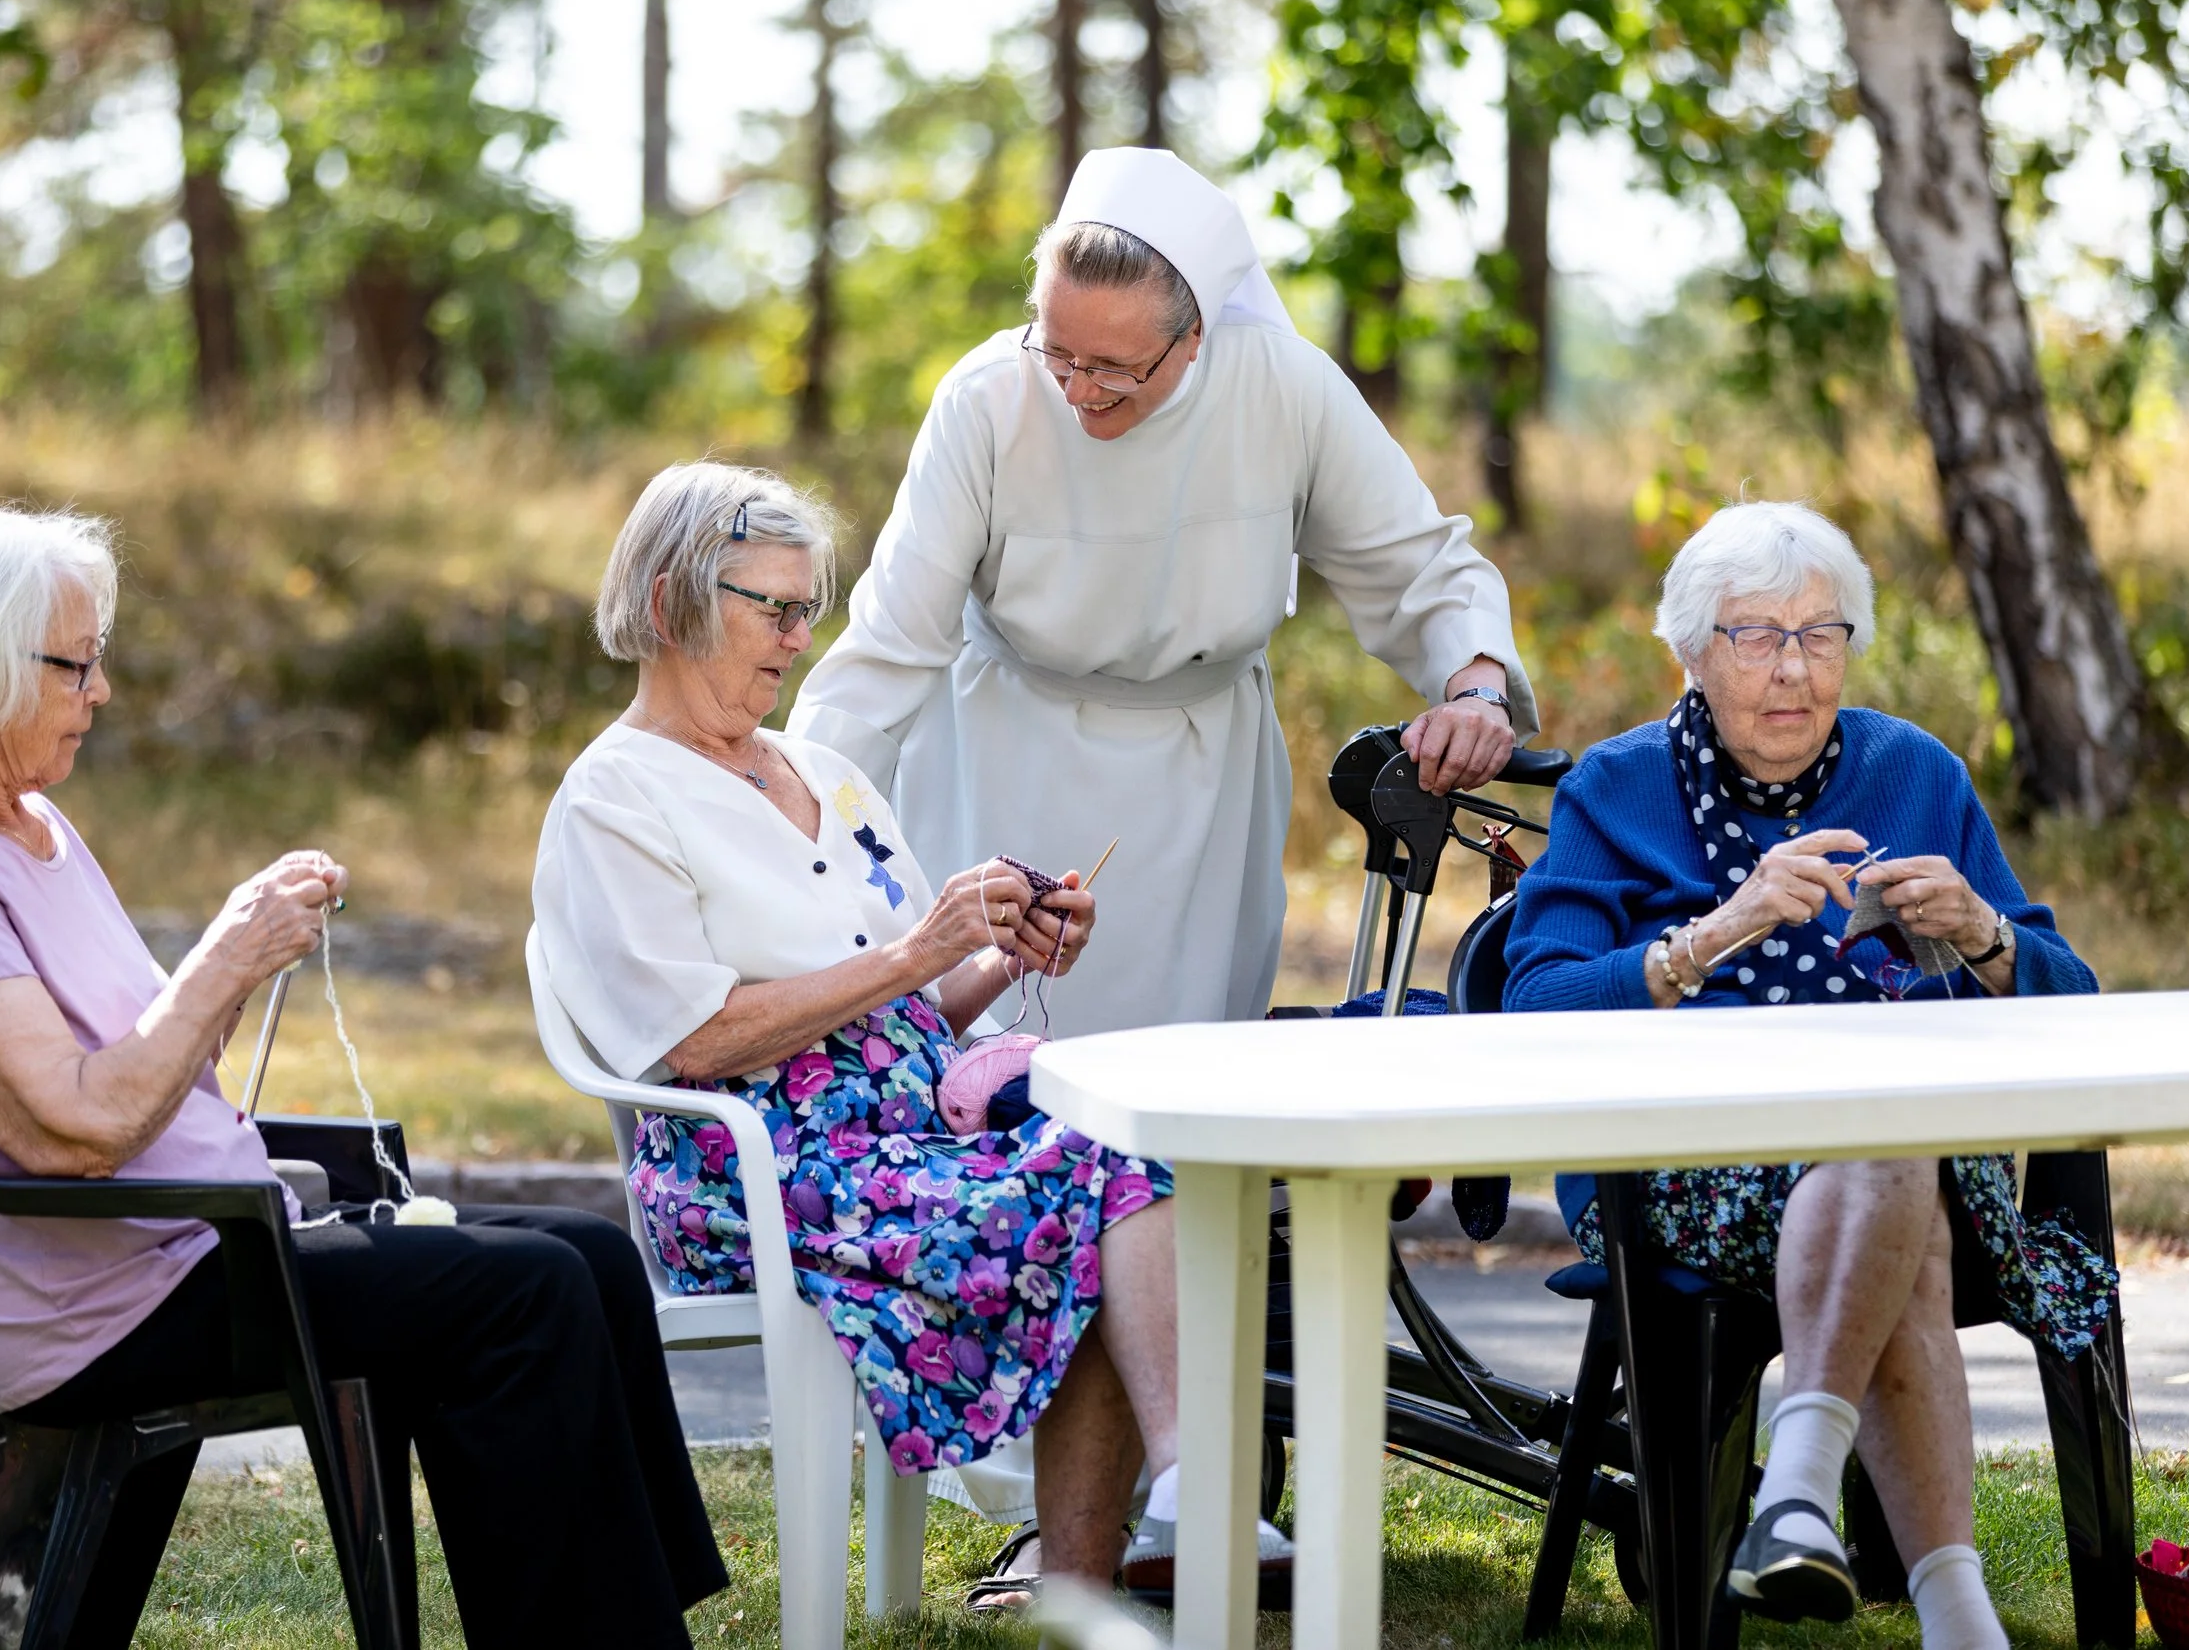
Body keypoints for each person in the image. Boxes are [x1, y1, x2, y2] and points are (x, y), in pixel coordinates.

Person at [0, 496, 724, 1648]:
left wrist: (248, 951)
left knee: (590, 1254)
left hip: (196, 1241)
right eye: (77, 664)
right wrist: (227, 947)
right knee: (527, 1295)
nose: (100, 691)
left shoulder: (31, 824)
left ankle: (642, 1618)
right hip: (119, 1297)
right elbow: (76, 1128)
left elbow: (140, 1048)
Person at [532, 461, 1288, 1606]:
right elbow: (693, 1042)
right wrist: (915, 952)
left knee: (1122, 1147)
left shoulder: (823, 775)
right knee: (1100, 1180)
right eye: (770, 607)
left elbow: (909, 1010)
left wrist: (1003, 948)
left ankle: (1095, 1570)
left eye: (808, 607)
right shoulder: (615, 797)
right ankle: (1185, 1491)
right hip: (757, 1159)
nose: (796, 638)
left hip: (909, 1127)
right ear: (664, 603)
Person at [1503, 502, 2111, 1650]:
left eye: (1819, 634)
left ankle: (1796, 1494)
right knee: (1899, 1180)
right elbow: (1527, 1007)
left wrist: (1986, 935)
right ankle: (1943, 1605)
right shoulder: (1614, 789)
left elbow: (2070, 996)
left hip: (1909, 1159)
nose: (1792, 667)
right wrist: (1707, 934)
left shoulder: (1912, 772)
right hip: (1677, 1166)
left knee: (1884, 1137)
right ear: (1688, 649)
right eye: (1754, 635)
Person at [787, 146, 1537, 1040]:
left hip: (1202, 785)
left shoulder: (1284, 388)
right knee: (993, 1075)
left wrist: (1477, 683)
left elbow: (1421, 563)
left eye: (1112, 366)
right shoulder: (985, 402)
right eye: (1056, 349)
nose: (1076, 390)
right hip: (1001, 762)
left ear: (1195, 337)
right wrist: (792, 828)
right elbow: (889, 644)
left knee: (1183, 1073)